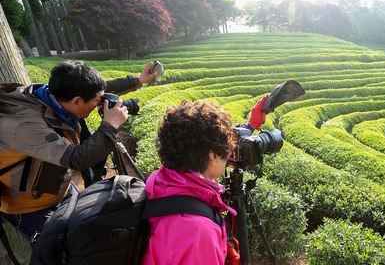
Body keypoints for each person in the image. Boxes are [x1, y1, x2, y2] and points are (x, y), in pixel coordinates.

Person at [0, 60, 157, 243]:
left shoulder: (53, 94)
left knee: (84, 230)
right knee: (58, 250)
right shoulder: (25, 125)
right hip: (30, 205)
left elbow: (96, 91)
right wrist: (110, 126)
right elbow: (76, 159)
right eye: (97, 102)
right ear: (76, 102)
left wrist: (137, 80)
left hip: (56, 184)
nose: (100, 103)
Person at [142, 96, 268, 265]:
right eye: (227, 150)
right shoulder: (199, 232)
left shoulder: (162, 180)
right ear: (212, 156)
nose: (230, 154)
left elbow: (198, 137)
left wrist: (250, 125)